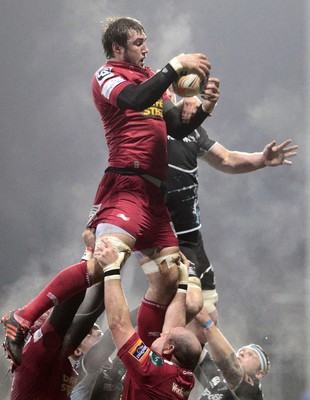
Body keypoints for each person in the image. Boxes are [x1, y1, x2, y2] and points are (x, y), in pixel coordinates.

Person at [84, 15, 219, 335]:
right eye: (138, 42)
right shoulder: (108, 74)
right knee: (102, 268)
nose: (146, 48)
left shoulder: (149, 78)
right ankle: (34, 324)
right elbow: (134, 100)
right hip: (125, 182)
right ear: (117, 48)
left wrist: (206, 107)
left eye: (146, 41)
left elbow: (178, 126)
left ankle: (139, 354)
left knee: (170, 281)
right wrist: (173, 66)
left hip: (153, 194)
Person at [164, 85, 298, 335]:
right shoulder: (148, 123)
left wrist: (262, 160)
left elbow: (226, 159)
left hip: (191, 236)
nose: (167, 94)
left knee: (210, 321)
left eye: (171, 90)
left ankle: (183, 371)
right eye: (163, 89)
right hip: (164, 235)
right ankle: (131, 362)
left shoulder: (192, 130)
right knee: (189, 305)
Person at [95, 236, 203, 399]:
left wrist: (111, 269)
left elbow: (119, 324)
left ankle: (137, 235)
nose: (162, 333)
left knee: (174, 291)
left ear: (169, 348)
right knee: (169, 284)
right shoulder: (185, 379)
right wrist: (182, 285)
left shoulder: (153, 372)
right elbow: (174, 328)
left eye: (165, 336)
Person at [8, 291, 103, 400]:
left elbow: (91, 314)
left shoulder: (57, 356)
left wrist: (108, 278)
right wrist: (87, 276)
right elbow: (67, 312)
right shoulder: (33, 354)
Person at [194, 307, 270, 399]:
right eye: (241, 351)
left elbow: (233, 369)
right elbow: (193, 349)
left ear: (259, 374)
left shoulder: (253, 391)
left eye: (250, 355)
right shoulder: (218, 378)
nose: (241, 353)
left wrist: (209, 324)